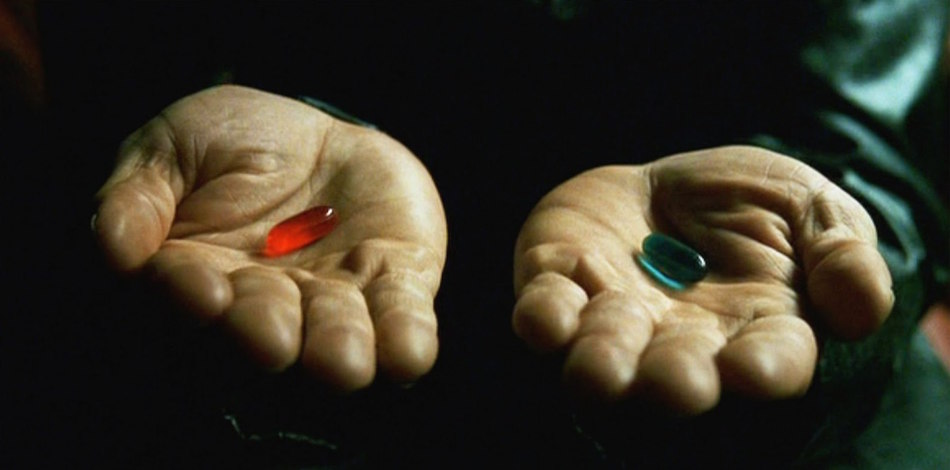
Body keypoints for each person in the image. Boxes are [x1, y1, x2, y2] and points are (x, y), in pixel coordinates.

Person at [12, 1, 949, 467]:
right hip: (331, 282)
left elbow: (863, 134)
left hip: (710, 319)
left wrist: (815, 229)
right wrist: (185, 106)